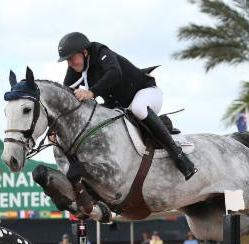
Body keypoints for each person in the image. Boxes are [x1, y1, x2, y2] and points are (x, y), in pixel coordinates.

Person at [57, 32, 197, 182]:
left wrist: (91, 92)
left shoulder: (100, 52)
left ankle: (179, 156)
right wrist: (55, 129)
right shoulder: (75, 68)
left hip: (146, 93)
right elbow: (66, 95)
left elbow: (115, 73)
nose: (69, 64)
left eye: (71, 58)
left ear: (84, 52)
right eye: (67, 60)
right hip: (120, 107)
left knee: (138, 108)